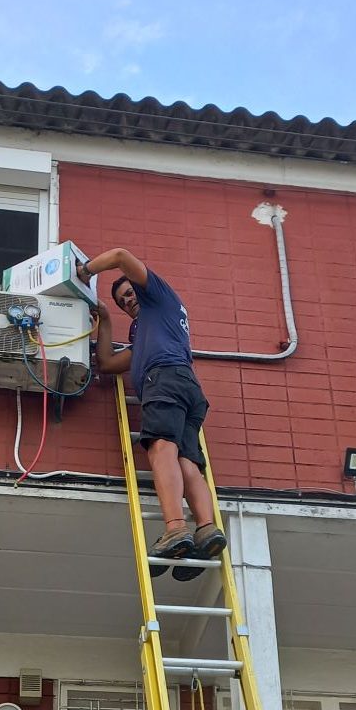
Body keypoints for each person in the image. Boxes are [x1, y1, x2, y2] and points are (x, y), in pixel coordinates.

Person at [77, 247, 226, 576]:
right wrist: (105, 318)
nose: (128, 301)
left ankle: (175, 528)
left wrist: (84, 271)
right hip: (187, 388)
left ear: (142, 288)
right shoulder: (151, 329)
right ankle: (206, 529)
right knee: (186, 461)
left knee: (161, 449)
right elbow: (108, 363)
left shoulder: (159, 296)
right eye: (122, 302)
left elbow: (119, 255)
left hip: (165, 380)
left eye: (130, 293)